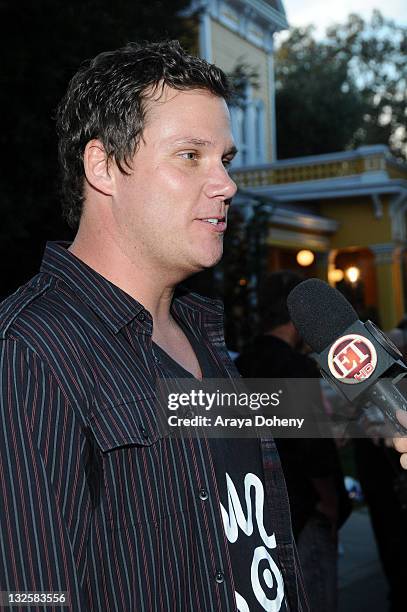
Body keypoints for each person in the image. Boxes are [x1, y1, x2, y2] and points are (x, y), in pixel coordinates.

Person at [0, 41, 308, 611]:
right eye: (190, 155)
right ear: (103, 167)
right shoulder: (33, 351)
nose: (226, 184)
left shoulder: (199, 329)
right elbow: (28, 594)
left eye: (226, 159)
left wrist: (373, 406)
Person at [236, 271, 351, 612]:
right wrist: (329, 505)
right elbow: (310, 446)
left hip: (261, 513)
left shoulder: (241, 361)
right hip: (306, 508)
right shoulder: (294, 366)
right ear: (296, 319)